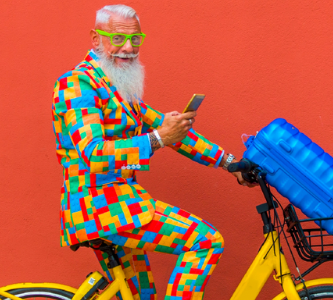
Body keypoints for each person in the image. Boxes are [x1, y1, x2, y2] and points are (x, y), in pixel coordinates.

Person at [51, 4, 254, 300]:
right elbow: (93, 153)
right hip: (101, 207)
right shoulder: (77, 84)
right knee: (205, 241)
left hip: (116, 207)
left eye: (135, 39)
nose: (128, 48)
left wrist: (230, 163)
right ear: (96, 39)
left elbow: (174, 134)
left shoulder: (118, 88)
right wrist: (158, 138)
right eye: (118, 39)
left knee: (140, 295)